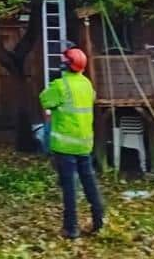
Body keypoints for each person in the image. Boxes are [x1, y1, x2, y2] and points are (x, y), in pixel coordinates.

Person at [39, 45, 105, 240]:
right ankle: (99, 219)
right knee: (89, 182)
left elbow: (44, 100)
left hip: (65, 145)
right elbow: (90, 99)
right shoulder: (87, 85)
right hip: (84, 144)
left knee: (69, 187)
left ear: (65, 65)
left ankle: (71, 228)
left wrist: (54, 84)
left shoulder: (60, 86)